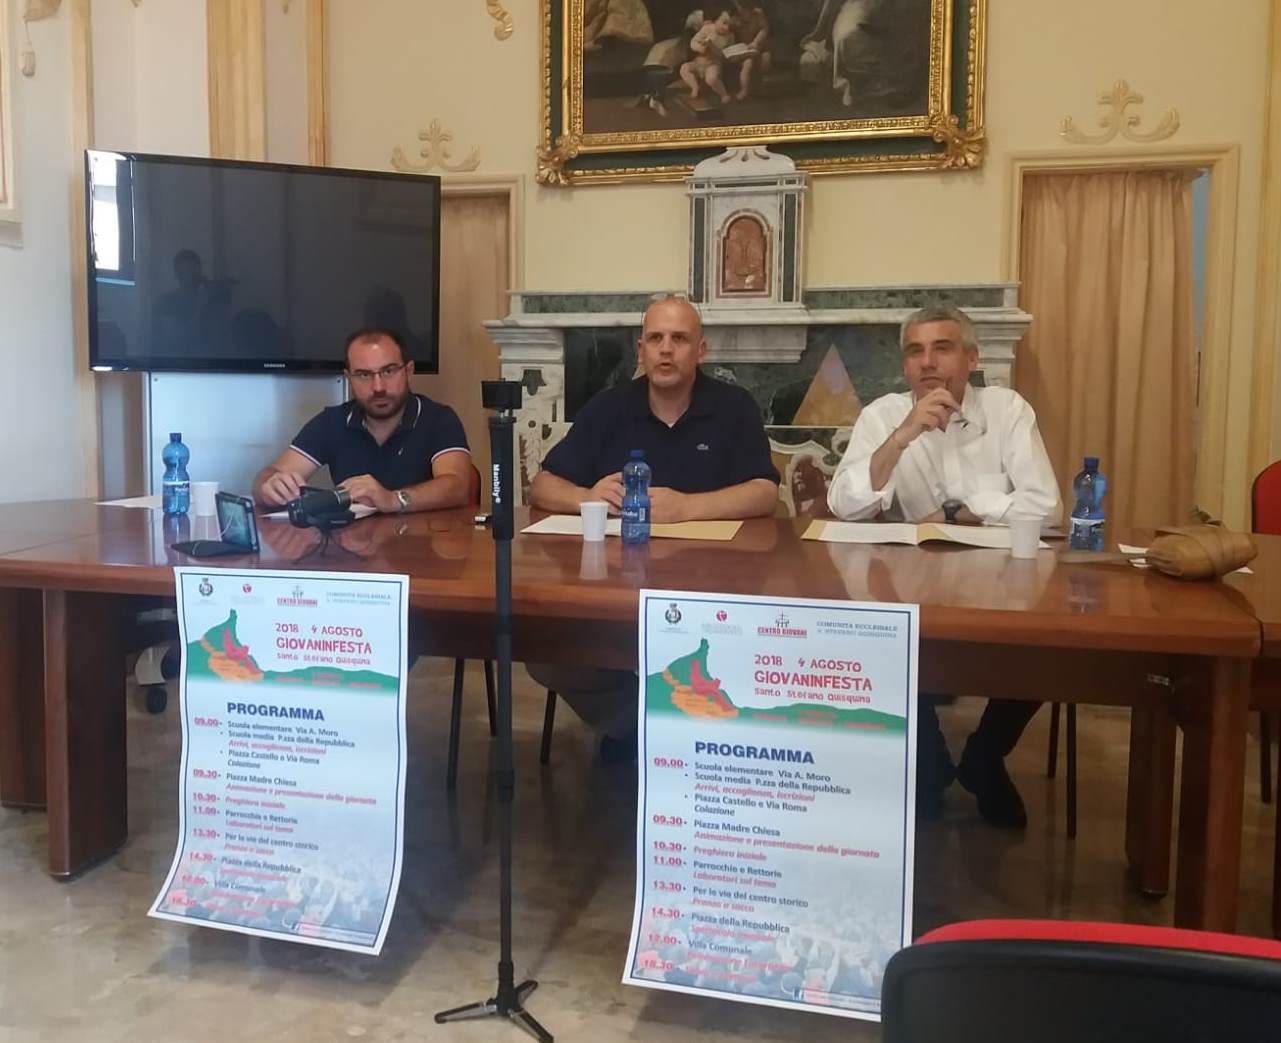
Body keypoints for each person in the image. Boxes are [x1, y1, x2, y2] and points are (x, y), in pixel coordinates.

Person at [827, 305, 1061, 828]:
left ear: (972, 359)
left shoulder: (1007, 409)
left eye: (943, 348)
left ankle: (986, 755)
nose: (928, 362)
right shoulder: (883, 415)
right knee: (875, 635)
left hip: (1003, 585)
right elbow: (844, 505)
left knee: (1048, 649)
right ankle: (927, 760)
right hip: (913, 586)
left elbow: (1046, 507)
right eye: (915, 351)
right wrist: (901, 436)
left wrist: (960, 510)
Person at [527, 296, 780, 758]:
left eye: (679, 339)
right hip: (613, 592)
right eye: (656, 339)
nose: (666, 349)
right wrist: (587, 498)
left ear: (700, 351)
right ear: (640, 350)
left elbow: (765, 493)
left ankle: (663, 737)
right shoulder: (608, 408)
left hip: (712, 592)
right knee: (545, 652)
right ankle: (641, 731)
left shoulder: (733, 407)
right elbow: (542, 486)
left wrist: (687, 507)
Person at [253, 328, 472, 514]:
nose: (378, 387)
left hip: (423, 544)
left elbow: (458, 487)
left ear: (408, 371)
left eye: (388, 371)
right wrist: (269, 488)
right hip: (353, 545)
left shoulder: (439, 419)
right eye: (364, 375)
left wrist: (393, 499)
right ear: (349, 378)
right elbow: (268, 476)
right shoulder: (332, 422)